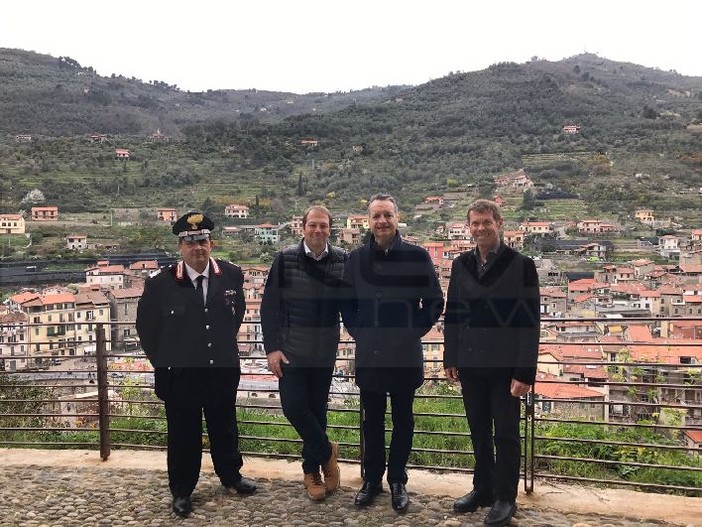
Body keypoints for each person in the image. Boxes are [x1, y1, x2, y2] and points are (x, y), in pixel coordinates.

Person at [136, 211, 256, 518]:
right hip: (180, 375)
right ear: (180, 247)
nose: (197, 248)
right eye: (189, 242)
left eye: (202, 240)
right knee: (182, 434)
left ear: (211, 243)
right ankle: (182, 491)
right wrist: (166, 363)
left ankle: (231, 476)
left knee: (225, 426)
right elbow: (146, 330)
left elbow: (235, 315)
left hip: (221, 369)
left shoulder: (230, 275)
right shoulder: (161, 284)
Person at [342, 194, 444, 513]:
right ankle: (372, 480)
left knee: (403, 420)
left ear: (397, 217)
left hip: (404, 354)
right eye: (376, 216)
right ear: (368, 221)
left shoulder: (417, 256)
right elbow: (347, 304)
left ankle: (398, 479)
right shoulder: (355, 259)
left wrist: (411, 332)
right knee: (371, 420)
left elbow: (434, 303)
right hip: (369, 354)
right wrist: (360, 332)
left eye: (387, 215)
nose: (382, 221)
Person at [443, 199, 540, 527]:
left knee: (507, 434)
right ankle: (482, 488)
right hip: (470, 363)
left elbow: (529, 321)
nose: (481, 228)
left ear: (500, 223)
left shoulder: (520, 264)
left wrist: (525, 371)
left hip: (505, 367)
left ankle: (505, 497)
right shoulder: (460, 265)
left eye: (487, 222)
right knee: (479, 430)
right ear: (468, 227)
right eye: (475, 223)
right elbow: (453, 313)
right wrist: (450, 357)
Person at [260, 205, 347, 501]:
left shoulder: (342, 261)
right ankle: (327, 452)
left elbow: (351, 304)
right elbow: (269, 306)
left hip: (324, 353)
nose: (318, 230)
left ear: (330, 229)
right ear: (303, 227)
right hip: (291, 351)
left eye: (323, 226)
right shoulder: (285, 259)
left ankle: (312, 472)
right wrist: (271, 348)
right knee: (294, 408)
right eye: (313, 225)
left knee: (317, 413)